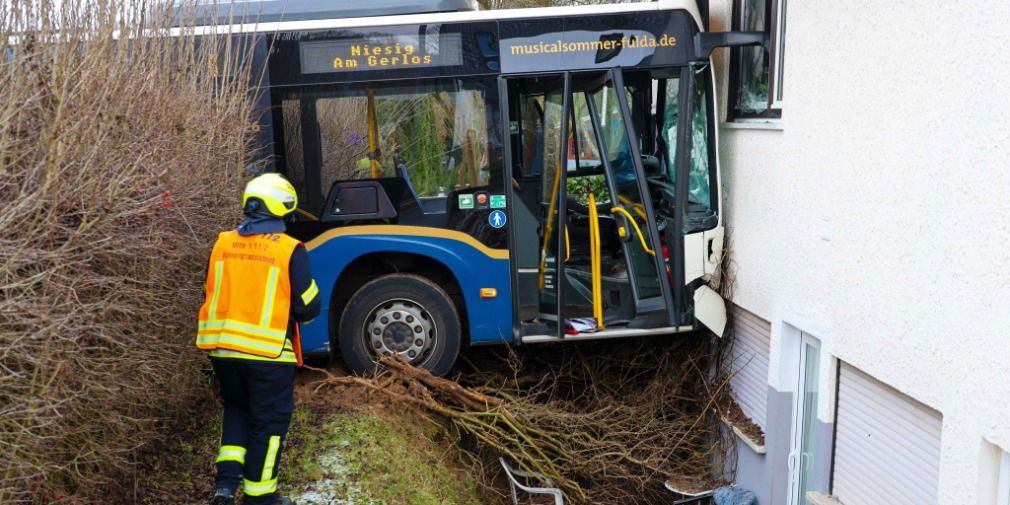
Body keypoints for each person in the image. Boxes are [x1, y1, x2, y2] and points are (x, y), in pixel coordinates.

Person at [196, 173, 321, 505]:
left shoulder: (223, 243)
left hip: (222, 351)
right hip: (267, 355)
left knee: (237, 410)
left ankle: (225, 487)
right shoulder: (288, 249)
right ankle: (260, 496)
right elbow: (308, 307)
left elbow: (209, 288)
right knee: (269, 423)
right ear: (282, 208)